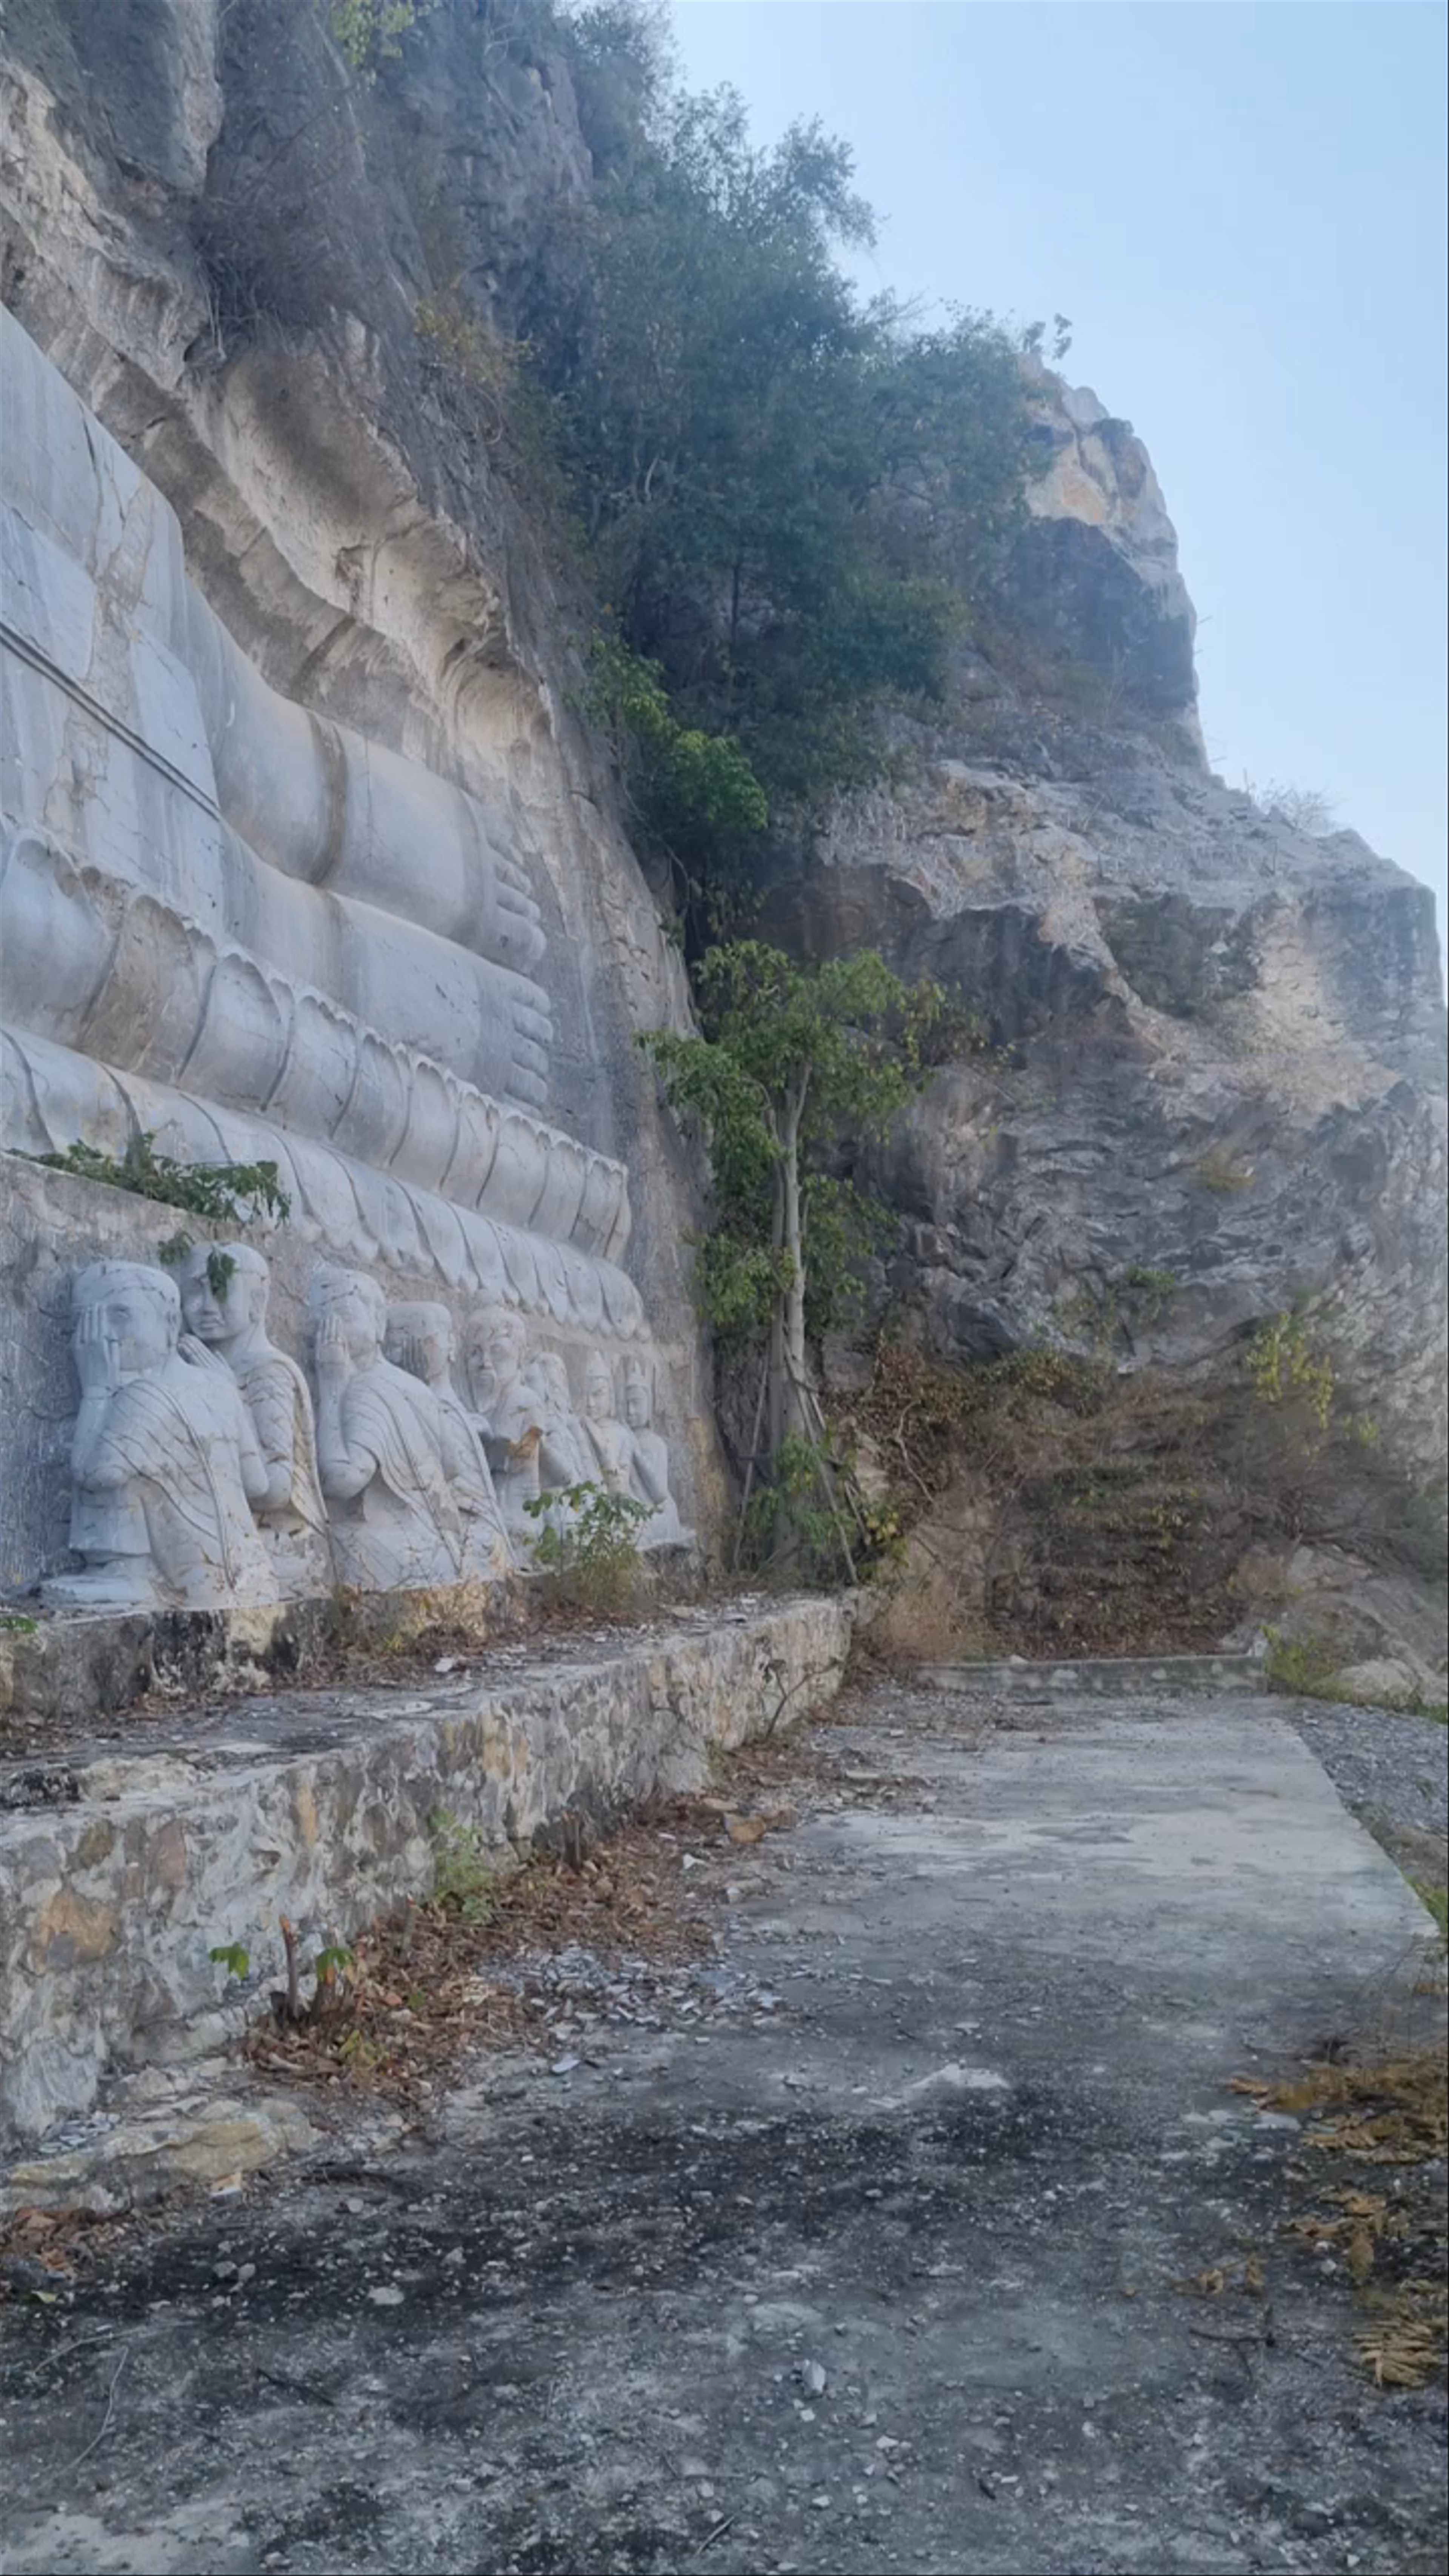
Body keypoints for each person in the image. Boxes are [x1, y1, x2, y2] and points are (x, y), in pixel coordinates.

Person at [45, 1261, 276, 1610]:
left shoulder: (142, 1396)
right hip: (259, 1582)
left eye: (120, 1315)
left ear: (171, 1324)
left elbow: (93, 1474)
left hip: (199, 1594)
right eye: (86, 1320)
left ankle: (126, 1571)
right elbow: (257, 1484)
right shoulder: (220, 1385)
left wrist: (96, 1391)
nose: (100, 1335)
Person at [178, 1244, 331, 1596]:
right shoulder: (202, 1367)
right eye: (195, 1291)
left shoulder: (267, 1373)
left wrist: (229, 1397)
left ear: (258, 1302)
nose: (206, 1306)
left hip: (278, 1538)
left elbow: (276, 1489)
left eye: (219, 1290)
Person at [309, 1270, 464, 1591]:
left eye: (344, 1317)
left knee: (319, 1543)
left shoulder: (364, 1389)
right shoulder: (416, 1386)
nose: (330, 1330)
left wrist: (331, 1387)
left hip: (400, 1551)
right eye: (323, 1321)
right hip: (444, 1545)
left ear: (379, 1322)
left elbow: (342, 1481)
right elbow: (453, 1465)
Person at [383, 1300, 512, 1579]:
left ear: (451, 1346)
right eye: (397, 1343)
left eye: (424, 1340)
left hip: (473, 1542)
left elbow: (446, 1475)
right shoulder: (415, 1401)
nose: (409, 1351)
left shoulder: (451, 1414)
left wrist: (417, 1392)